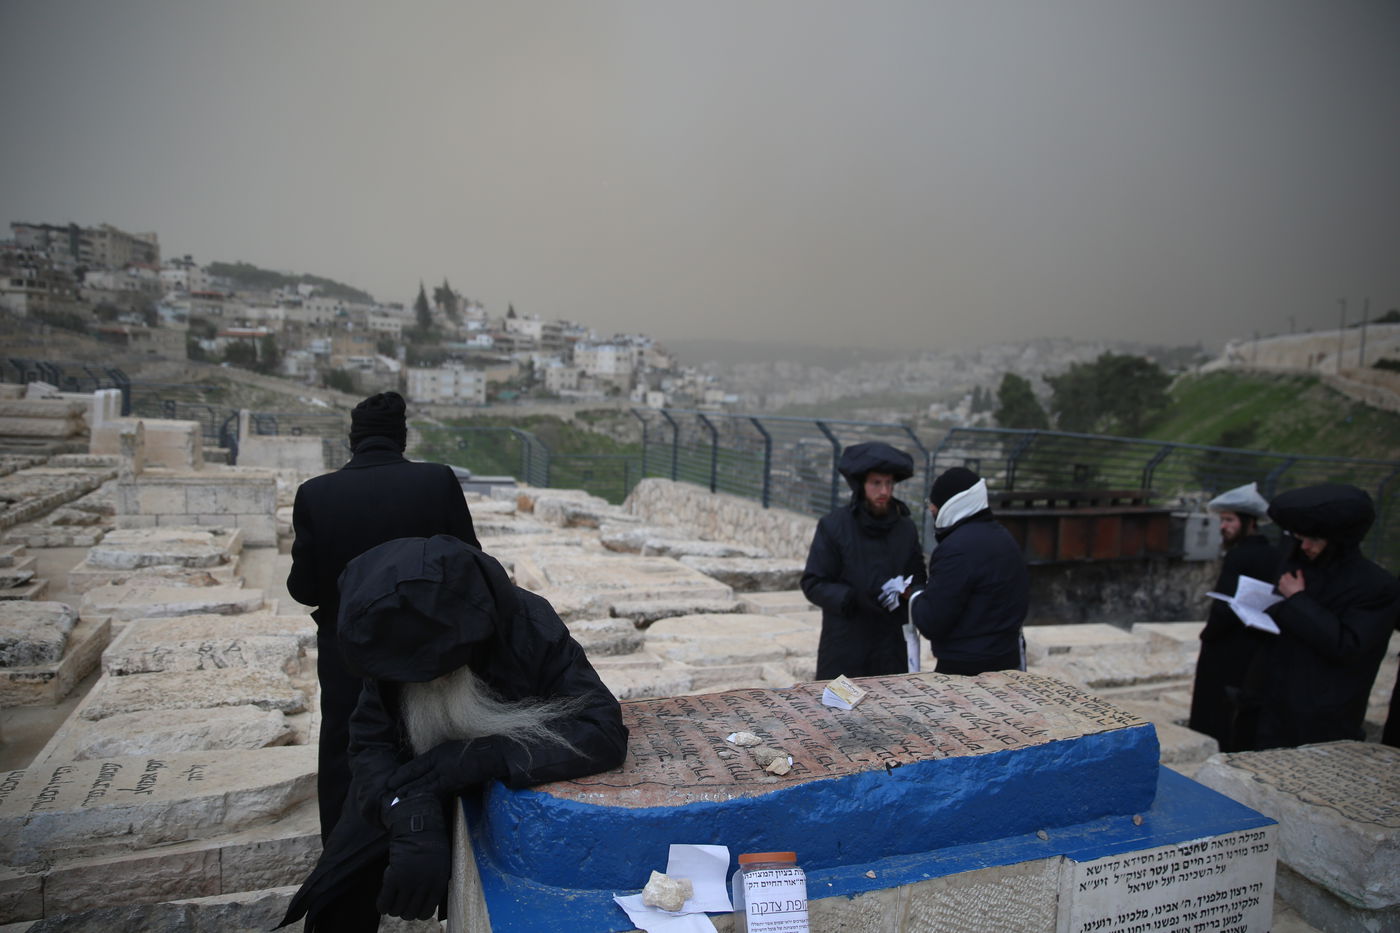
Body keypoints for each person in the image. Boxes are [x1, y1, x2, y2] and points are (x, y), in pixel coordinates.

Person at [282, 534, 628, 931]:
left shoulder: (528, 626)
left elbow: (601, 730)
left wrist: (481, 756)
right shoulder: (387, 628)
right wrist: (408, 816)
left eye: (438, 668)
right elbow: (370, 743)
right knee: (339, 893)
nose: (428, 682)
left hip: (505, 770)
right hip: (407, 781)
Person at [287, 391, 480, 839]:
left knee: (344, 746)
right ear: (402, 439)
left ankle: (342, 845)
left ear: (353, 440)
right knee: (430, 742)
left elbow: (303, 589)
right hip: (430, 648)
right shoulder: (437, 482)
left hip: (348, 652)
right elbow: (470, 563)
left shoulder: (315, 495)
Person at [1239, 483, 1400, 750]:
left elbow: (1348, 646)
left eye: (1314, 539)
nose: (1306, 547)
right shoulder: (1302, 567)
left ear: (1338, 541)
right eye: (1301, 538)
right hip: (1272, 703)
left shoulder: (1377, 586)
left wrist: (1297, 600)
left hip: (1319, 717)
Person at [801, 442, 926, 680]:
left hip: (891, 643)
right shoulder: (833, 526)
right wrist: (850, 598)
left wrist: (912, 592)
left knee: (890, 710)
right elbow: (813, 583)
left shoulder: (905, 528)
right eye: (876, 483)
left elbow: (918, 573)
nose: (884, 492)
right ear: (861, 486)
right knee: (839, 713)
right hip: (846, 641)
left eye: (889, 483)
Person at [909, 466, 1029, 676]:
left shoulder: (956, 550)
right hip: (1007, 661)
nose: (931, 510)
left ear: (951, 505)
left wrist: (916, 591)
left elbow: (931, 621)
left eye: (934, 505)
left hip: (966, 670)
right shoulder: (1003, 537)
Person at [1186, 482, 1279, 751]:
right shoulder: (1274, 555)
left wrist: (1207, 635)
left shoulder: (1239, 555)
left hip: (1226, 648)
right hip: (1256, 647)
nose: (1223, 526)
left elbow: (1224, 607)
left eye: (1229, 520)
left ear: (1249, 522)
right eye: (1222, 520)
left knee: (1213, 713)